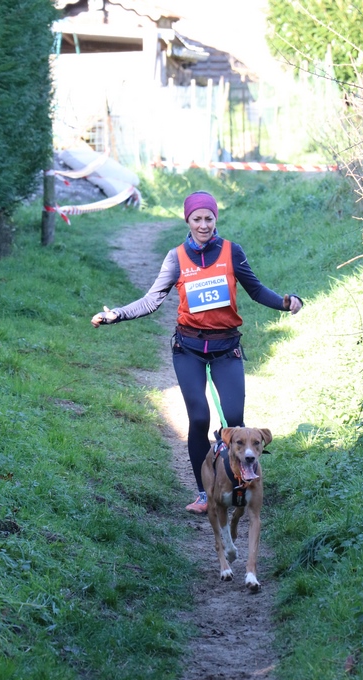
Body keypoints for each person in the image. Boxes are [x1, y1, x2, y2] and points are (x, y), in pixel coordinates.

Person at [91, 190, 303, 513]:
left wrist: (285, 303)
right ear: (187, 221)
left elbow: (256, 290)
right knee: (200, 418)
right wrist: (116, 314)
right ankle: (205, 493)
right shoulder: (176, 257)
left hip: (226, 348)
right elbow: (152, 300)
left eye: (209, 218)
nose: (203, 225)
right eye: (197, 219)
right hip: (188, 349)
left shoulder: (231, 252)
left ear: (216, 219)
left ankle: (239, 485)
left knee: (234, 422)